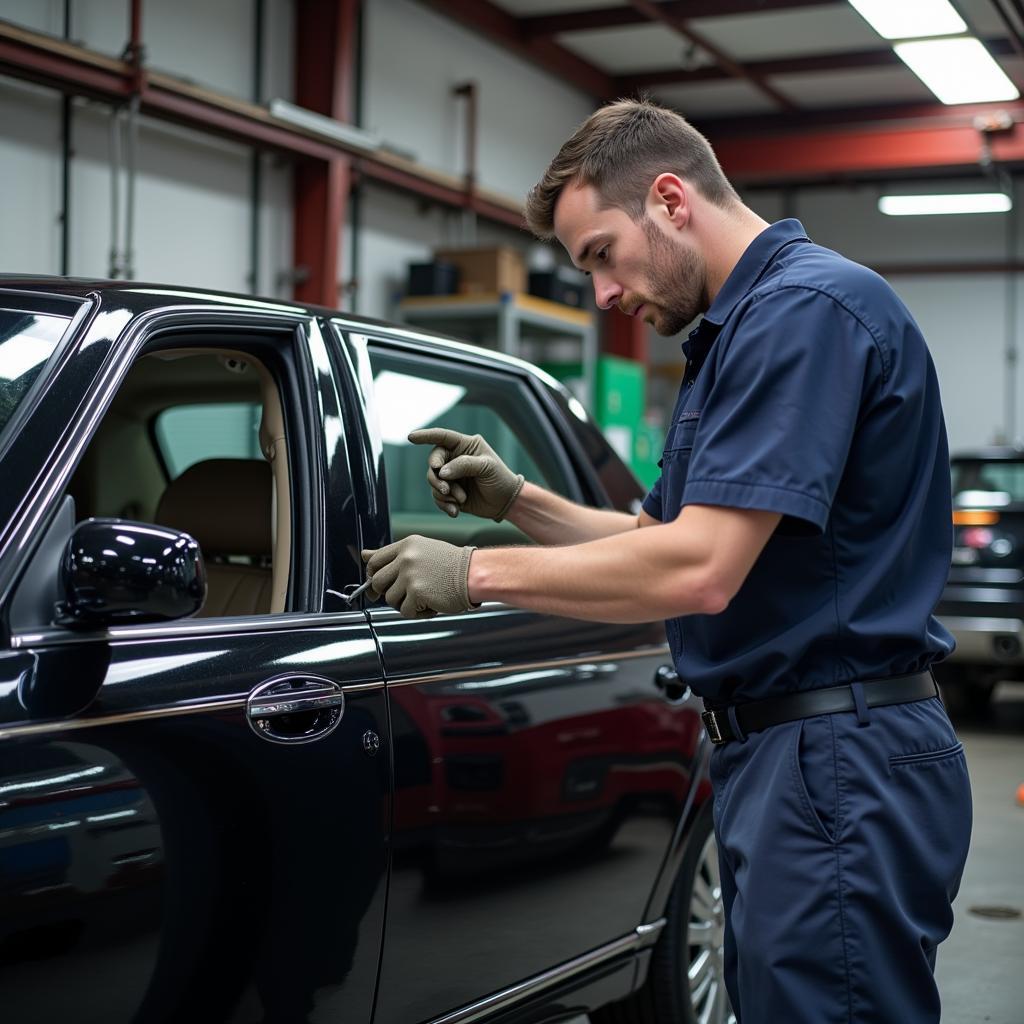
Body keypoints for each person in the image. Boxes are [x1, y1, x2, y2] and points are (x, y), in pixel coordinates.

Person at [362, 98, 972, 1023]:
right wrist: (518, 504)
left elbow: (702, 571)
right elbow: (663, 540)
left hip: (836, 755)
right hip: (799, 754)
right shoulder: (740, 332)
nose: (603, 293)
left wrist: (471, 574)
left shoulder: (801, 314)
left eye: (601, 253)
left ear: (672, 199)